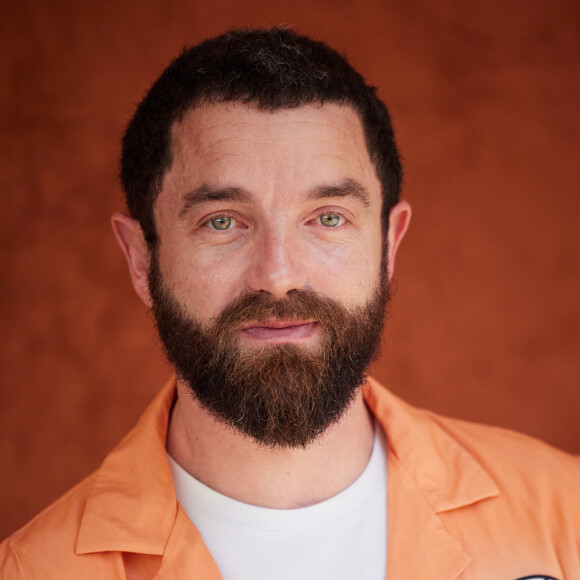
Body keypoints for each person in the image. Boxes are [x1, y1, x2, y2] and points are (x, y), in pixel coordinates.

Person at [0, 27, 578, 580]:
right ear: (140, 260)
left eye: (328, 218)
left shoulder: (564, 515)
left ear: (387, 245)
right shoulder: (29, 571)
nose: (277, 276)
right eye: (221, 221)